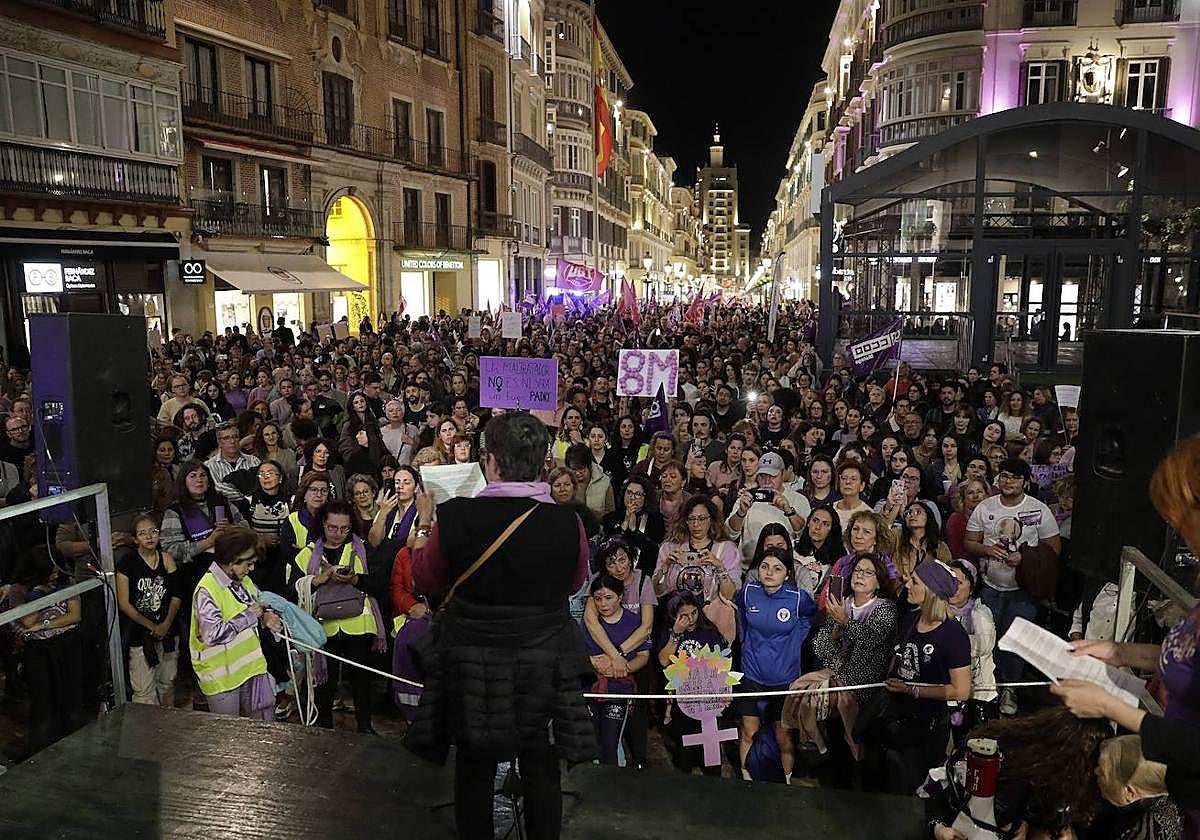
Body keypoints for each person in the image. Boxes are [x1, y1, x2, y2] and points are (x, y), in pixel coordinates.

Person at [407, 411, 594, 840]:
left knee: (474, 764)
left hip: (473, 660)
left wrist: (422, 524)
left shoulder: (454, 517)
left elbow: (426, 580)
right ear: (543, 463)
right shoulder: (569, 522)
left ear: (490, 461)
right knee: (540, 765)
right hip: (541, 660)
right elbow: (574, 581)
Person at [964, 457, 1060, 716]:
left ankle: (1011, 688)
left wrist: (1025, 557)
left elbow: (1054, 548)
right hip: (989, 585)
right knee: (987, 639)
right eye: (1004, 476)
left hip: (1023, 590)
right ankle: (987, 686)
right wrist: (986, 548)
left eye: (1015, 477)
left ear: (1025, 482)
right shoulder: (985, 507)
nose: (1008, 481)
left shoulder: (1039, 509)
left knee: (1015, 641)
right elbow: (969, 541)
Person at [788, 551, 897, 762]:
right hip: (835, 678)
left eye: (868, 573)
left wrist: (846, 622)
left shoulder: (886, 608)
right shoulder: (841, 604)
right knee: (802, 689)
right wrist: (834, 634)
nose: (860, 576)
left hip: (864, 687)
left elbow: (872, 641)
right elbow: (820, 647)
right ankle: (817, 744)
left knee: (859, 750)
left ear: (878, 582)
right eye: (857, 571)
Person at [292, 500, 388, 734]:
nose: (338, 533)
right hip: (324, 628)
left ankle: (365, 727)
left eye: (344, 528)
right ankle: (325, 729)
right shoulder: (307, 554)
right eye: (332, 528)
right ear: (322, 524)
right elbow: (289, 590)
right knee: (325, 682)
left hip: (359, 626)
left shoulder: (363, 549)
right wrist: (318, 580)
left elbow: (381, 585)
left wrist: (356, 580)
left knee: (361, 680)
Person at [880, 559, 972, 795]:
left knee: (914, 784)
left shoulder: (953, 635)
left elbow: (961, 690)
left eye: (915, 581)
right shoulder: (912, 618)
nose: (907, 584)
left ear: (932, 590)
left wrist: (913, 689)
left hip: (928, 724)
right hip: (899, 714)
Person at [734, 537, 817, 783]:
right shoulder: (748, 592)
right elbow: (741, 616)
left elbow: (810, 619)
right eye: (764, 567)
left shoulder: (798, 597)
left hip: (784, 678)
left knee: (783, 736)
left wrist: (795, 641)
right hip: (752, 674)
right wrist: (746, 642)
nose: (770, 573)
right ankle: (747, 780)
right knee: (748, 731)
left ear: (787, 574)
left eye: (777, 568)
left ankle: (786, 783)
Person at [189, 526, 282, 720]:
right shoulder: (207, 589)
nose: (252, 569)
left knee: (262, 732)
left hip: (251, 668)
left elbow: (259, 604)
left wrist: (266, 616)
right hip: (221, 678)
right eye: (248, 564)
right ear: (232, 560)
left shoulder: (244, 580)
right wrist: (249, 616)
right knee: (228, 738)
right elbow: (212, 634)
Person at [12, 547, 85, 754]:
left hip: (68, 644)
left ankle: (75, 748)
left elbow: (74, 615)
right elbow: (27, 621)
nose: (55, 572)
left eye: (56, 567)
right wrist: (41, 593)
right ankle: (42, 752)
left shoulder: (66, 582)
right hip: (38, 651)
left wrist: (43, 625)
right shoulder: (20, 590)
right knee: (44, 704)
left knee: (71, 700)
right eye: (50, 569)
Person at [581, 574, 651, 766]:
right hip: (591, 690)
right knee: (592, 742)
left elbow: (644, 656)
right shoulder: (589, 624)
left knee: (610, 743)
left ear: (620, 597)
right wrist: (594, 664)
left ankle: (613, 787)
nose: (603, 604)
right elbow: (582, 653)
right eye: (598, 598)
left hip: (618, 691)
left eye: (608, 597)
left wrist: (625, 667)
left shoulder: (634, 622)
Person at [116, 513, 182, 707]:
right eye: (143, 533)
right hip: (140, 632)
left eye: (153, 532)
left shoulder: (166, 559)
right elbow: (125, 603)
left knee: (167, 683)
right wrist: (152, 626)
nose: (149, 537)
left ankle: (167, 726)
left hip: (168, 628)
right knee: (144, 691)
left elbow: (177, 595)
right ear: (135, 539)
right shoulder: (127, 563)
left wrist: (166, 624)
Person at [725, 451, 811, 569]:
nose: (766, 481)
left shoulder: (798, 499)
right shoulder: (747, 497)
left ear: (783, 474)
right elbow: (729, 533)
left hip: (784, 569)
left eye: (772, 476)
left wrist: (789, 511)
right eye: (762, 476)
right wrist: (741, 513)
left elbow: (805, 535)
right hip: (749, 568)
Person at [946, 559, 998, 740]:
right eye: (949, 581)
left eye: (959, 583)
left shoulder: (980, 614)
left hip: (979, 694)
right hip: (948, 694)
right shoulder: (937, 611)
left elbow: (982, 648)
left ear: (972, 586)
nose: (953, 587)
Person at [600, 474, 666, 575]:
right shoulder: (611, 518)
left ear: (645, 497)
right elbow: (607, 548)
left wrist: (634, 530)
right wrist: (625, 523)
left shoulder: (656, 519)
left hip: (644, 573)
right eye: (629, 493)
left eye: (638, 494)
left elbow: (655, 552)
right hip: (613, 573)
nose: (632, 498)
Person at [792, 503, 846, 595]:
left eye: (825, 524)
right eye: (815, 520)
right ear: (808, 523)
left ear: (832, 529)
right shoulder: (792, 547)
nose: (817, 527)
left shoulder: (840, 558)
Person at [204, 421, 261, 504]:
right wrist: (248, 493)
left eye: (235, 437)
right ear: (219, 442)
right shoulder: (209, 466)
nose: (232, 441)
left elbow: (261, 486)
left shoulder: (253, 461)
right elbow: (218, 491)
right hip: (225, 509)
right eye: (226, 438)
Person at [565, 442, 615, 521]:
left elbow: (611, 513)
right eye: (573, 469)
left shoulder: (604, 481)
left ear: (588, 465)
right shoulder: (564, 482)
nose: (577, 473)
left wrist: (590, 515)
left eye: (581, 468)